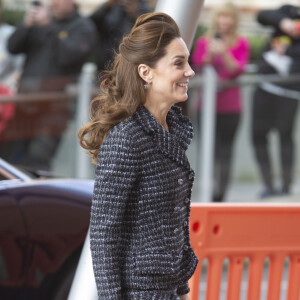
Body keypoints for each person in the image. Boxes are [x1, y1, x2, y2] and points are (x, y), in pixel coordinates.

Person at [78, 12, 198, 300]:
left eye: (188, 61)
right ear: (146, 72)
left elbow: (171, 224)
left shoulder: (170, 131)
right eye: (178, 63)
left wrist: (182, 291)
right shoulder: (127, 138)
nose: (190, 71)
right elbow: (105, 234)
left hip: (168, 290)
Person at [6, 0, 96, 170]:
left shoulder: (83, 26)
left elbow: (69, 56)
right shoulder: (40, 21)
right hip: (24, 104)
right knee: (9, 160)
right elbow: (13, 47)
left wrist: (48, 27)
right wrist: (25, 25)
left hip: (53, 108)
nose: (53, 3)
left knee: (36, 162)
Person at [191, 2, 250, 202]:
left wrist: (224, 52)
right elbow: (197, 66)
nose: (224, 21)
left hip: (230, 107)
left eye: (228, 17)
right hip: (206, 106)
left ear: (234, 20)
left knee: (225, 151)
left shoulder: (241, 43)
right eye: (221, 16)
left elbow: (237, 70)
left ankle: (220, 195)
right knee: (207, 150)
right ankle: (207, 190)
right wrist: (209, 53)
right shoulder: (202, 42)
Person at [252, 4, 300, 197]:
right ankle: (268, 184)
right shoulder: (289, 12)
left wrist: (287, 52)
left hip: (288, 94)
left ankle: (286, 185)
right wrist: (283, 22)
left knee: (285, 137)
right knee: (258, 136)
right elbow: (262, 15)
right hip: (264, 90)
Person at [90, 0, 150, 73]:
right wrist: (107, 6)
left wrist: (135, 15)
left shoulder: (144, 10)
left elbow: (146, 35)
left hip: (126, 65)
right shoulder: (113, 6)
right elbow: (91, 24)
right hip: (103, 62)